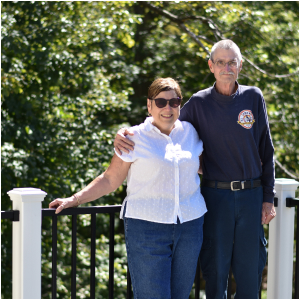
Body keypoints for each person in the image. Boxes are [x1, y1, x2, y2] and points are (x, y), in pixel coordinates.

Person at [114, 40, 276, 299]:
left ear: (240, 65)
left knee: (250, 272)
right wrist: (126, 133)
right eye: (220, 62)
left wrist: (268, 197)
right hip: (215, 197)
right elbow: (165, 119)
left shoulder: (253, 97)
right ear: (211, 66)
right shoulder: (198, 103)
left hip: (252, 195)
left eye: (232, 62)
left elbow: (266, 150)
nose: (226, 67)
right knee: (215, 272)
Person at [49, 77, 207, 299]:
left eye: (174, 102)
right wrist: (75, 199)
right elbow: (110, 179)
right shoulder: (134, 137)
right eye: (160, 102)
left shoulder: (191, 132)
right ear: (149, 105)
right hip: (146, 229)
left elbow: (208, 165)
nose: (168, 108)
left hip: (190, 227)